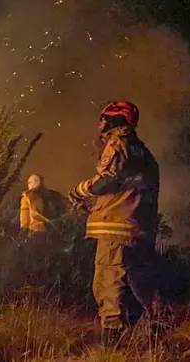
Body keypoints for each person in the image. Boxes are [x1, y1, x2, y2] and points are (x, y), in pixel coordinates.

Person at [68, 101, 161, 346]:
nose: (100, 123)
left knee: (108, 281)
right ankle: (156, 332)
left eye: (104, 118)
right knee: (138, 284)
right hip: (138, 227)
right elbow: (126, 190)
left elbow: (107, 179)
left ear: (117, 120)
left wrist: (80, 191)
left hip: (116, 229)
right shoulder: (142, 150)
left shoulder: (118, 143)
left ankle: (111, 342)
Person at [19, 174, 66, 240]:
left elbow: (24, 216)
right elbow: (63, 209)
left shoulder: (27, 196)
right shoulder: (54, 194)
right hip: (55, 230)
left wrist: (23, 230)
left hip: (37, 231)